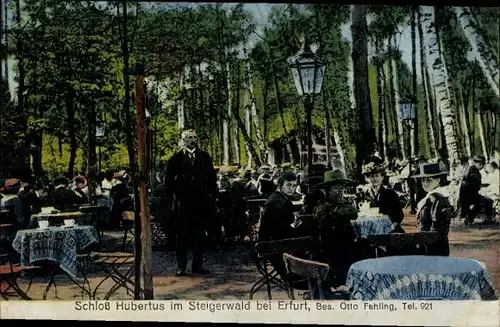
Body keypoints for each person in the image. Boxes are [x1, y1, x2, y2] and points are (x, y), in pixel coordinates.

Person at [164, 129, 217, 276]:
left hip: (201, 204)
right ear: (184, 140)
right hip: (183, 205)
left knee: (199, 235)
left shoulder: (205, 157)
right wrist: (177, 193)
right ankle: (181, 267)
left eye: (195, 137)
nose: (193, 140)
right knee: (182, 236)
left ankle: (197, 265)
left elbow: (212, 179)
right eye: (189, 138)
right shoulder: (176, 158)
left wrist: (210, 197)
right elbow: (168, 181)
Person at [312, 169, 358, 287]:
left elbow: (353, 213)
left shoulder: (346, 204)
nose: (340, 192)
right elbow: (320, 218)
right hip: (327, 248)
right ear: (327, 190)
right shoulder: (321, 206)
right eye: (336, 188)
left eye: (341, 188)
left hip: (347, 246)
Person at [258, 171, 299, 280]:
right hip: (272, 245)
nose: (291, 188)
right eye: (288, 185)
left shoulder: (279, 198)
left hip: (273, 241)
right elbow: (280, 229)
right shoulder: (278, 202)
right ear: (281, 185)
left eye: (294, 186)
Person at [413, 163, 454, 256]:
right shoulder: (432, 196)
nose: (425, 183)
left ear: (438, 180)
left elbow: (437, 227)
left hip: (433, 245)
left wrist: (425, 243)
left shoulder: (437, 197)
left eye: (429, 180)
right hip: (427, 242)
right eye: (423, 180)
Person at [359, 158, 405, 233]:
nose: (374, 179)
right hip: (369, 229)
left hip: (389, 228)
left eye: (377, 176)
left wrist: (391, 227)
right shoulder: (363, 194)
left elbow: (399, 215)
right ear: (367, 178)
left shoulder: (391, 194)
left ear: (382, 177)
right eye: (371, 176)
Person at [460, 155, 484, 225]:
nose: (482, 167)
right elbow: (475, 185)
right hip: (469, 193)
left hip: (464, 192)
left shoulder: (469, 169)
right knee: (481, 202)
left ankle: (469, 218)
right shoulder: (475, 172)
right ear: (479, 164)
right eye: (482, 165)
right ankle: (470, 218)